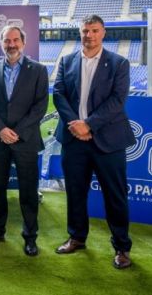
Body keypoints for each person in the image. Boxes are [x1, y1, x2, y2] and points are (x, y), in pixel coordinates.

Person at [53, 14, 136, 269]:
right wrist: (75, 125)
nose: (89, 35)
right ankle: (77, 237)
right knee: (76, 192)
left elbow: (117, 101)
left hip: (108, 141)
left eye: (94, 30)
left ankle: (121, 247)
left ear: (103, 33)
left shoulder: (119, 62)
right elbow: (58, 93)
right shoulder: (67, 60)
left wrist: (88, 124)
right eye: (85, 30)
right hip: (73, 138)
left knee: (115, 195)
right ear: (80, 32)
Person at [0, 26, 49, 256]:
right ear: (1, 43)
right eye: (6, 40)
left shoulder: (38, 70)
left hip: (25, 140)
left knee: (28, 191)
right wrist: (1, 129)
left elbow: (40, 106)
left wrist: (16, 131)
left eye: (15, 40)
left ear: (23, 41)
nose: (11, 44)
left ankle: (30, 237)